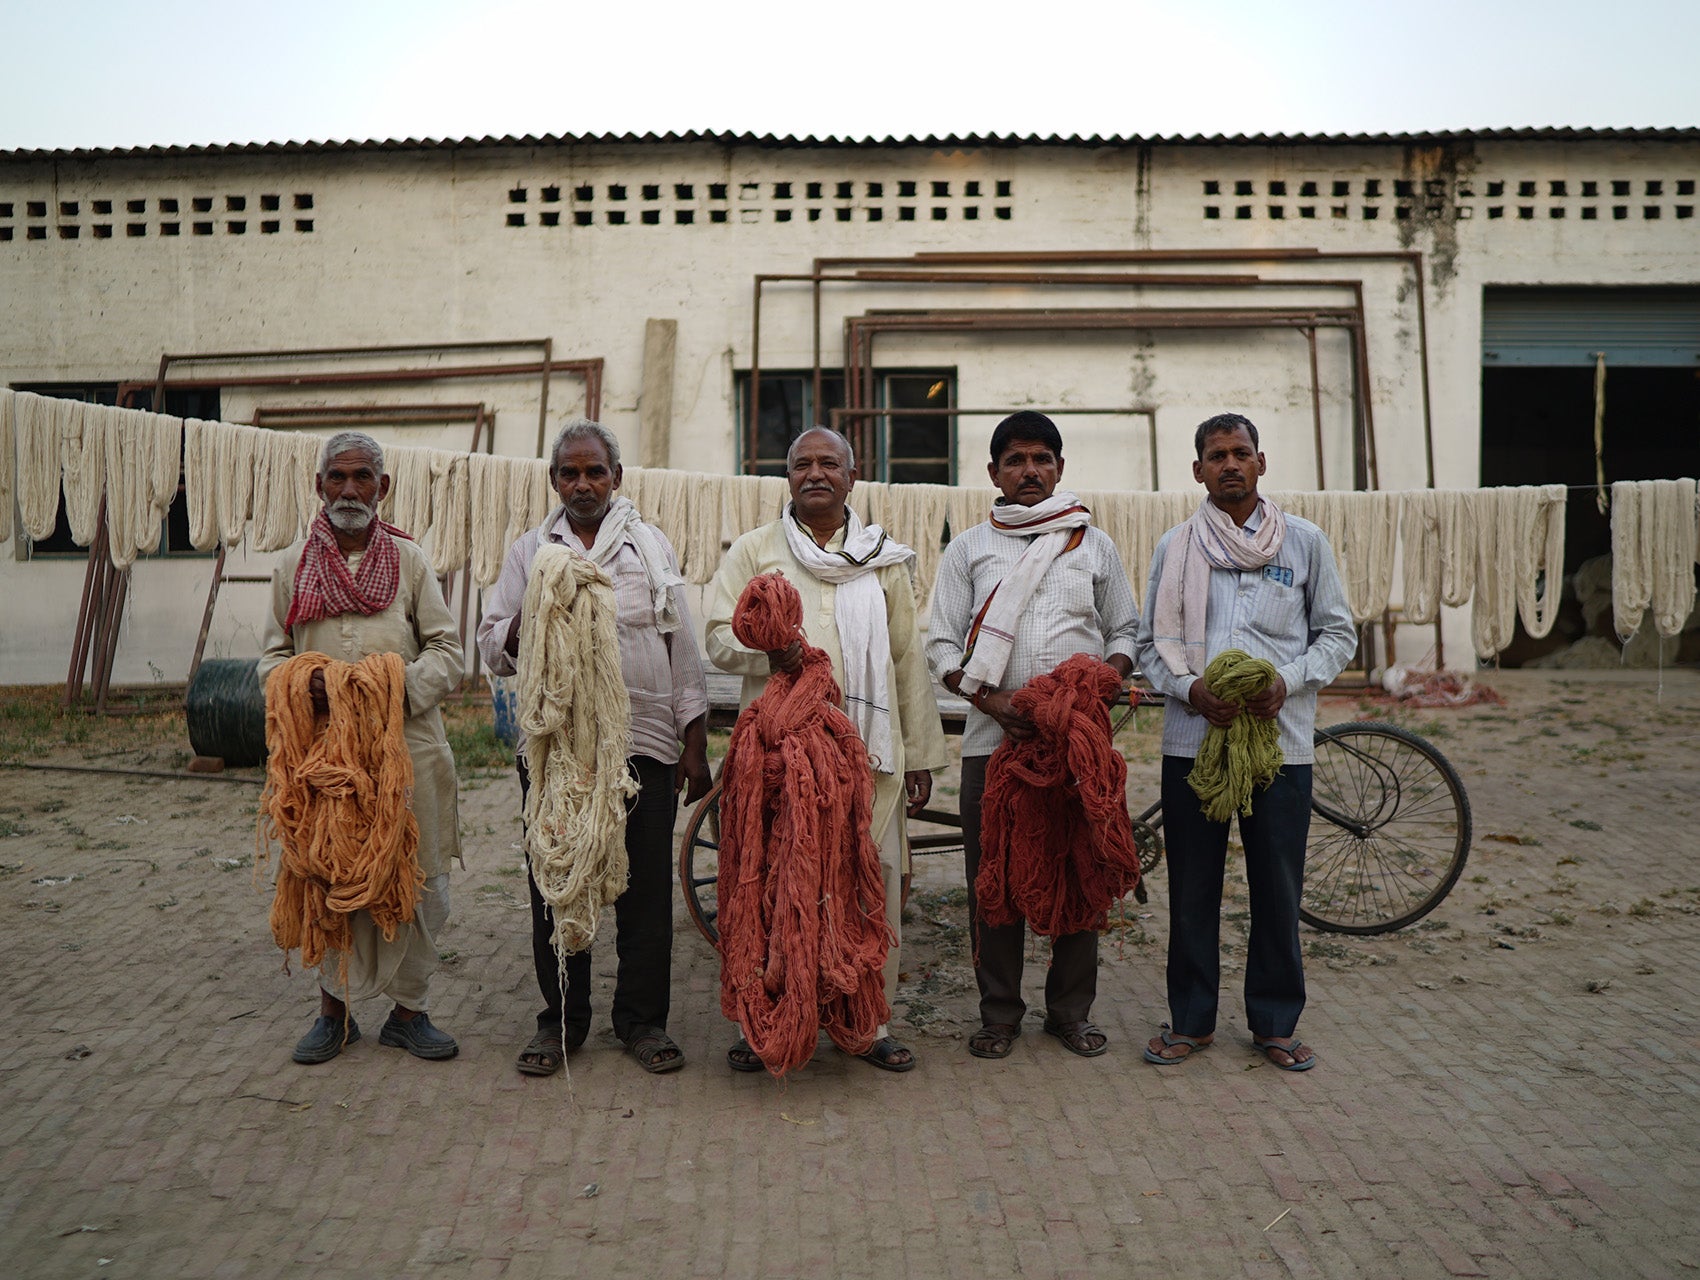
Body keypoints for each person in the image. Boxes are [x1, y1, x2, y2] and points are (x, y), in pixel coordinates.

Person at [705, 426, 948, 1074]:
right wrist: (769, 642)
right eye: (803, 464)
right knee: (771, 884)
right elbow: (714, 634)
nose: (816, 473)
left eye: (828, 463)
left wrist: (921, 754)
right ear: (787, 477)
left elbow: (905, 659)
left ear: (852, 474)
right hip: (782, 758)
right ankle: (767, 1018)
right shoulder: (755, 553)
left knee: (869, 886)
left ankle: (868, 1023)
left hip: (867, 756)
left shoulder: (884, 559)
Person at [478, 418, 711, 1076]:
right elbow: (492, 646)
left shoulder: (649, 547)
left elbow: (680, 643)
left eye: (595, 472)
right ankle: (561, 1021)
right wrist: (541, 605)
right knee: (558, 879)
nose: (582, 484)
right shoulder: (531, 551)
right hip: (559, 752)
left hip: (646, 742)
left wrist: (695, 740)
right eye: (569, 473)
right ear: (554, 481)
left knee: (643, 891)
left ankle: (642, 1021)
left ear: (617, 478)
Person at [1135, 413, 1357, 1072]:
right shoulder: (1175, 546)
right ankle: (1192, 1021)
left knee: (1278, 888)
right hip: (1193, 745)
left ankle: (1275, 1023)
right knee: (1193, 887)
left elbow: (1339, 633)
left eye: (1240, 453)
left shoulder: (1305, 544)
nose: (1229, 464)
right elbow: (1150, 642)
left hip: (1279, 748)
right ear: (1197, 470)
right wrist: (1185, 687)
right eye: (1215, 455)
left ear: (1261, 462)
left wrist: (1289, 681)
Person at [926, 411, 1140, 1061]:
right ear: (993, 473)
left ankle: (1070, 1013)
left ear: (1060, 469)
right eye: (1015, 460)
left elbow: (1126, 633)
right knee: (995, 878)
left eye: (1042, 459)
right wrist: (991, 698)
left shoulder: (1091, 545)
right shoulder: (969, 548)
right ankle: (999, 1014)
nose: (1030, 471)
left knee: (1080, 871)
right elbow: (940, 644)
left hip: (1076, 744)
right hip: (995, 742)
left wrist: (1099, 683)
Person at [260, 430, 465, 1065]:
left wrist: (385, 693)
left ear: (384, 488)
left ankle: (409, 1012)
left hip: (410, 753)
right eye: (338, 477)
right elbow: (271, 659)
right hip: (323, 764)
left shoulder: (411, 563)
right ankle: (334, 1013)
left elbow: (449, 652)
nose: (350, 489)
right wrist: (304, 688)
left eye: (363, 478)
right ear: (319, 486)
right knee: (325, 876)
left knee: (415, 876)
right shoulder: (292, 566)